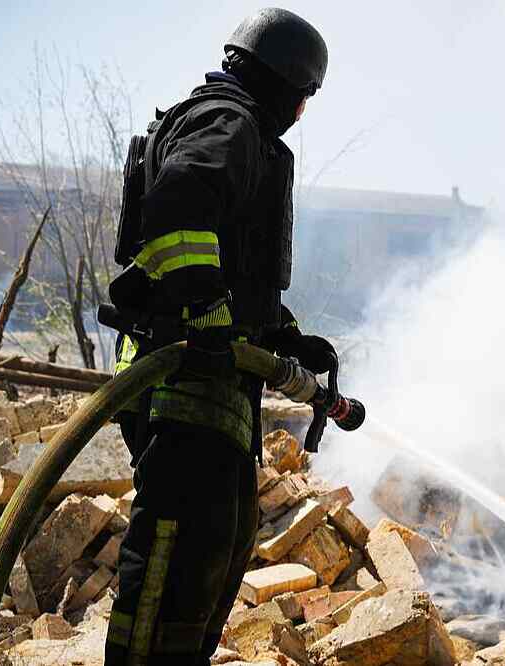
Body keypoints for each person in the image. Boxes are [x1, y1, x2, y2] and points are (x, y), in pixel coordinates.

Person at [104, 8, 338, 665]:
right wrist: (205, 308)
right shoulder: (227, 123)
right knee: (175, 551)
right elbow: (178, 206)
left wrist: (285, 337)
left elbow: (236, 270)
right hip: (181, 374)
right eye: (303, 97)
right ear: (285, 85)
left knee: (221, 545)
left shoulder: (238, 131)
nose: (300, 112)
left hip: (213, 379)